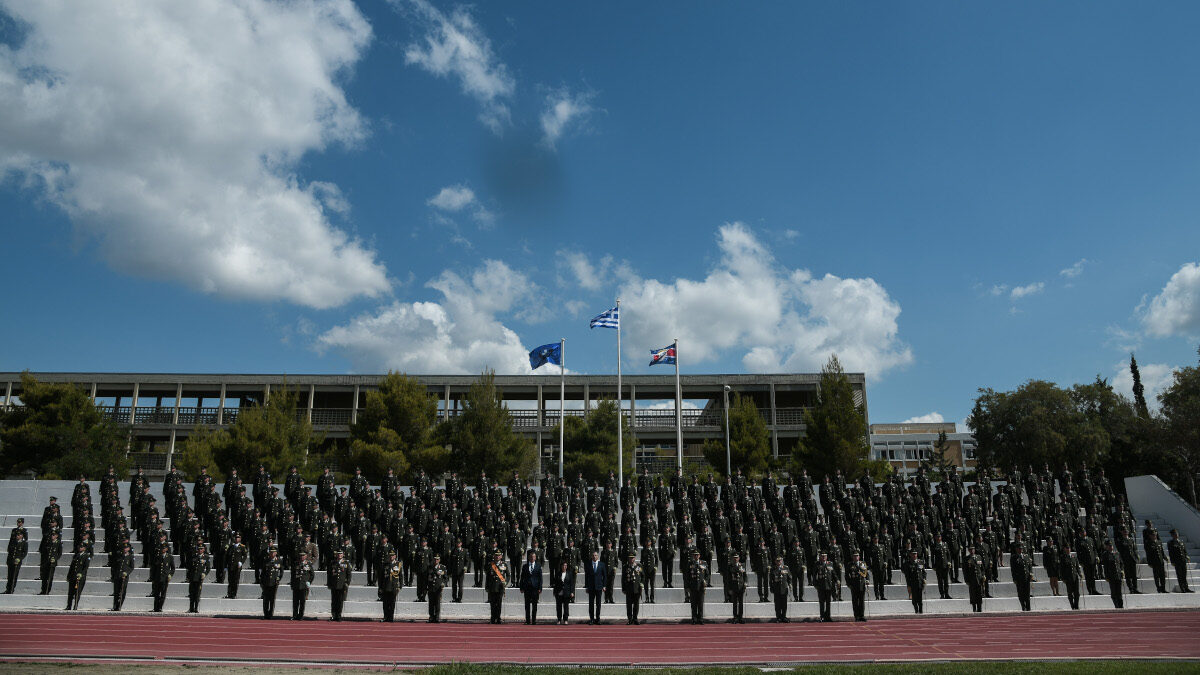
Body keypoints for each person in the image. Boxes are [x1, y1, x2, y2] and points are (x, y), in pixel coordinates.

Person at [519, 549, 543, 625]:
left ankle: (534, 620)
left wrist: (540, 588)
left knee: (534, 605)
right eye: (531, 557)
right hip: (527, 588)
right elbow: (522, 577)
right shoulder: (525, 566)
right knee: (527, 605)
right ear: (529, 558)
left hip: (535, 588)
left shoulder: (538, 566)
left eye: (534, 557)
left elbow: (540, 578)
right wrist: (521, 587)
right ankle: (527, 620)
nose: (532, 558)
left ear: (535, 558)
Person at [65, 543, 91, 611]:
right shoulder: (76, 555)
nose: (80, 548)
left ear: (84, 548)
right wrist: (68, 575)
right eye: (79, 546)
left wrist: (81, 574)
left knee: (77, 592)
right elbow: (72, 566)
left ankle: (75, 605)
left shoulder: (86, 556)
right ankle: (69, 605)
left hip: (80, 577)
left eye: (81, 547)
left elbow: (85, 567)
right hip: (73, 576)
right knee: (70, 592)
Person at [187, 543, 211, 613]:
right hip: (192, 577)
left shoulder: (206, 557)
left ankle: (196, 608)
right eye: (199, 549)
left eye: (201, 549)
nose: (200, 550)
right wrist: (188, 576)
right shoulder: (194, 556)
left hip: (199, 578)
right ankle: (191, 608)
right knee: (191, 593)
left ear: (204, 549)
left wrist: (204, 574)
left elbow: (208, 568)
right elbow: (190, 567)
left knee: (197, 594)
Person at [110, 542, 135, 611]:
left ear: (129, 549)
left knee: (122, 591)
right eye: (124, 548)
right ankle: (115, 605)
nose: (125, 549)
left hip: (124, 577)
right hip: (117, 576)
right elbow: (114, 566)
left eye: (126, 548)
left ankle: (119, 605)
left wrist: (126, 573)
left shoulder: (130, 557)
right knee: (116, 591)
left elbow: (131, 567)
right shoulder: (119, 555)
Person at [486, 550, 509, 624]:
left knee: (499, 603)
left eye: (499, 555)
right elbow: (488, 577)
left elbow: (508, 575)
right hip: (492, 586)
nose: (497, 557)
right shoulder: (490, 564)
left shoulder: (504, 564)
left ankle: (498, 618)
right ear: (494, 556)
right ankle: (493, 618)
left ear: (501, 556)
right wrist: (487, 586)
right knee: (492, 603)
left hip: (500, 587)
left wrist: (505, 582)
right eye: (496, 555)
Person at [260, 547, 283, 619]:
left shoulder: (279, 561)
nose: (272, 554)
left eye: (273, 552)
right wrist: (261, 581)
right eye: (270, 552)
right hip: (266, 582)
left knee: (272, 599)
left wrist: (278, 578)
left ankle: (270, 614)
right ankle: (265, 614)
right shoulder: (266, 560)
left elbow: (281, 571)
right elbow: (263, 572)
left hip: (274, 582)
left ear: (276, 553)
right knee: (266, 599)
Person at [327, 550, 351, 621]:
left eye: (341, 554)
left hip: (342, 584)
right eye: (338, 554)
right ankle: (333, 615)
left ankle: (338, 615)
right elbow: (329, 574)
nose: (339, 555)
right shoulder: (332, 562)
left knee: (340, 601)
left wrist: (347, 583)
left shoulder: (346, 563)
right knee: (334, 601)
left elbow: (349, 574)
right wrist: (329, 583)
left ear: (343, 554)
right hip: (334, 584)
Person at [584, 550, 606, 624]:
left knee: (598, 604)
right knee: (591, 604)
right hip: (591, 587)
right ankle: (591, 619)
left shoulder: (602, 564)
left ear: (598, 556)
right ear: (591, 556)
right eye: (593, 555)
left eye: (596, 555)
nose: (594, 556)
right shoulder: (588, 564)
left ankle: (598, 619)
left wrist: (604, 586)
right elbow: (586, 576)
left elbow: (605, 576)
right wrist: (586, 586)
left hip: (599, 587)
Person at [150, 540, 174, 613]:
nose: (162, 550)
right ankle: (155, 608)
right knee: (156, 594)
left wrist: (170, 575)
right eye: (161, 548)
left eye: (164, 548)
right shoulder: (157, 557)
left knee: (163, 594)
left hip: (165, 578)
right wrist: (152, 578)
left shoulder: (169, 557)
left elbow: (173, 568)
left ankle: (160, 607)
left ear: (166, 549)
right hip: (157, 578)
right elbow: (153, 568)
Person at [1011, 541, 1035, 612]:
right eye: (1019, 549)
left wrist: (1031, 574)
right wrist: (1014, 578)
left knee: (1027, 593)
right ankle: (1023, 606)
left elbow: (1029, 566)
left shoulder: (1026, 556)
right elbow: (1013, 569)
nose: (1020, 550)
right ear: (1016, 549)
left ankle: (1028, 607)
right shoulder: (1014, 557)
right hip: (1019, 578)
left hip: (1026, 577)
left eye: (1021, 548)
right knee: (1021, 593)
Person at [1100, 540, 1124, 609]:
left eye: (1111, 545)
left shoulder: (1117, 553)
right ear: (1106, 547)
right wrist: (1106, 576)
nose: (1110, 547)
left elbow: (1121, 563)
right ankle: (1116, 605)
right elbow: (1106, 566)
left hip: (1118, 575)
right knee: (1114, 592)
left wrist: (1122, 570)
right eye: (1109, 546)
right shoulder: (1105, 555)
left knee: (1119, 592)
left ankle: (1121, 605)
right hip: (1111, 576)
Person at [378, 551, 401, 622]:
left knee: (392, 603)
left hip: (394, 586)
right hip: (386, 585)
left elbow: (401, 576)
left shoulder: (398, 564)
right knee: (385, 603)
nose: (391, 557)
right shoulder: (385, 564)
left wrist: (400, 586)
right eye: (390, 555)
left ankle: (391, 617)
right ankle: (385, 617)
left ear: (395, 556)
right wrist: (380, 587)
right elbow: (381, 577)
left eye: (393, 555)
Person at [551, 559, 576, 624]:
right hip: (559, 592)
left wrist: (572, 592)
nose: (564, 567)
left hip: (566, 592)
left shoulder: (569, 574)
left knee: (566, 607)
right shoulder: (558, 574)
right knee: (558, 607)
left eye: (565, 565)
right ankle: (559, 619)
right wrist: (554, 591)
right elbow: (555, 583)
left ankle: (565, 619)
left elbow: (572, 584)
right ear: (561, 566)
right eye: (563, 565)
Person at [291, 551, 315, 620]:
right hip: (296, 585)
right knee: (295, 602)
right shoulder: (295, 563)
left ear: (306, 556)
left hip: (304, 585)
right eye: (301, 555)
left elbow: (312, 575)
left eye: (303, 555)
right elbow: (292, 575)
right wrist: (292, 584)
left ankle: (300, 616)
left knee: (302, 602)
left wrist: (309, 582)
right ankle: (294, 615)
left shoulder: (308, 564)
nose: (302, 557)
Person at [686, 549, 707, 625]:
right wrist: (687, 587)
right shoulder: (690, 564)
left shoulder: (703, 563)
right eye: (695, 555)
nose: (696, 556)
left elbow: (707, 574)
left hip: (701, 586)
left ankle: (700, 619)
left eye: (697, 555)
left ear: (699, 556)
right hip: (693, 586)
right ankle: (694, 619)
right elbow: (687, 576)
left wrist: (705, 582)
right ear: (693, 556)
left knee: (700, 603)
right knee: (694, 604)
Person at [847, 551, 869, 622]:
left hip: (861, 585)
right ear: (852, 557)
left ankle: (862, 615)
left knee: (862, 601)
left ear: (859, 557)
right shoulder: (850, 565)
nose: (855, 557)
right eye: (854, 556)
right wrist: (849, 584)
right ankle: (856, 616)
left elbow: (866, 573)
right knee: (855, 601)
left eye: (857, 556)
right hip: (854, 585)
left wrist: (867, 580)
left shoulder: (862, 564)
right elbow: (847, 575)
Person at [622, 553, 643, 625]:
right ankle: (630, 619)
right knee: (629, 605)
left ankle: (635, 618)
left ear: (634, 558)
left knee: (636, 604)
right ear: (628, 559)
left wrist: (641, 584)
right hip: (629, 588)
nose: (631, 559)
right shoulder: (626, 567)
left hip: (637, 588)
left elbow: (642, 576)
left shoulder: (638, 566)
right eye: (630, 558)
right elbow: (623, 578)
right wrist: (623, 588)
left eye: (632, 558)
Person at [38, 530, 62, 595]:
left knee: (50, 577)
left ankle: (47, 591)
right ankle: (43, 590)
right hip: (46, 562)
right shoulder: (48, 542)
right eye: (51, 535)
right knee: (44, 577)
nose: (52, 536)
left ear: (56, 536)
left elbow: (59, 553)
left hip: (52, 563)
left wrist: (55, 559)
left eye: (54, 535)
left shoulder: (58, 543)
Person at [902, 549, 925, 614]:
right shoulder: (908, 563)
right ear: (910, 555)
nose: (914, 555)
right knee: (914, 599)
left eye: (915, 554)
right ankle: (916, 610)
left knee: (920, 598)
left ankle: (921, 611)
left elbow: (923, 572)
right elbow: (907, 576)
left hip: (920, 582)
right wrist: (908, 585)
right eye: (913, 554)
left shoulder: (920, 562)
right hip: (913, 583)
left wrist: (924, 579)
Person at [813, 552, 835, 622]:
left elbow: (833, 573)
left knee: (828, 602)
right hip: (821, 586)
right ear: (820, 557)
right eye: (822, 556)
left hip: (828, 586)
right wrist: (815, 584)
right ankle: (822, 616)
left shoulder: (830, 564)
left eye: (825, 556)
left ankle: (828, 616)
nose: (823, 557)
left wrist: (837, 580)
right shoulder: (817, 564)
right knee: (822, 602)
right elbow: (814, 575)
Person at [769, 556, 792, 623]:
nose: (779, 562)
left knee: (784, 604)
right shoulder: (773, 569)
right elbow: (771, 580)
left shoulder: (786, 568)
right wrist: (771, 588)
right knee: (777, 604)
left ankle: (784, 616)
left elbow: (789, 577)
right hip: (776, 588)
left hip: (784, 588)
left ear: (782, 561)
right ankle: (778, 617)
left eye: (780, 561)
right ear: (775, 561)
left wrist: (790, 584)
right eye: (777, 561)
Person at [1060, 544, 1082, 610]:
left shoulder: (1074, 557)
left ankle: (1076, 605)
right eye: (1066, 548)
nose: (1068, 549)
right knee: (1070, 593)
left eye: (1068, 548)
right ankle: (1072, 606)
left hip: (1075, 577)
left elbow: (1077, 567)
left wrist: (1080, 574)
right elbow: (1061, 569)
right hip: (1068, 578)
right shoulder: (1063, 558)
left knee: (1077, 593)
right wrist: (1063, 578)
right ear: (1064, 549)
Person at [225, 533, 247, 599]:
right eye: (236, 537)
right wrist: (225, 565)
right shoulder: (231, 546)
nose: (237, 539)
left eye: (238, 537)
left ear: (240, 539)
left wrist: (241, 562)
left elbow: (245, 555)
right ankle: (229, 593)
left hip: (237, 566)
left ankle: (234, 594)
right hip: (231, 565)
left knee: (235, 580)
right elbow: (227, 556)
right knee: (230, 580)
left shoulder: (242, 547)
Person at [964, 545, 985, 613]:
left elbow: (982, 568)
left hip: (979, 578)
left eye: (973, 549)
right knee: (973, 593)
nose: (972, 551)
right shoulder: (967, 559)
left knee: (979, 593)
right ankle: (974, 607)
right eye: (970, 549)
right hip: (971, 578)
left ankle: (979, 607)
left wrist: (983, 576)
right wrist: (966, 580)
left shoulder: (979, 557)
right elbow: (965, 570)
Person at [727, 552, 747, 624]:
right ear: (732, 558)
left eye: (737, 557)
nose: (736, 559)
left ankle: (740, 617)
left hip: (741, 586)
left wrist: (745, 583)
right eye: (734, 557)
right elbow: (729, 578)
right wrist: (729, 588)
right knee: (735, 603)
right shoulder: (730, 566)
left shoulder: (742, 565)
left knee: (741, 603)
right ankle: (735, 617)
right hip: (734, 586)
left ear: (739, 558)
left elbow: (745, 575)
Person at [6, 527, 26, 594]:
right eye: (17, 535)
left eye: (19, 535)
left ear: (22, 535)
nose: (17, 536)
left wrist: (19, 559)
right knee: (9, 576)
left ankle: (11, 589)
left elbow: (24, 553)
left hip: (17, 562)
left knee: (14, 576)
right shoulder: (13, 541)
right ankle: (8, 589)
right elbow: (9, 550)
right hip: (11, 561)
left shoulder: (24, 543)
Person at [428, 553, 447, 623]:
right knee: (431, 604)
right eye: (435, 559)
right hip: (430, 587)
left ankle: (437, 617)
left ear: (439, 560)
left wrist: (443, 584)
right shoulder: (430, 567)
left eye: (437, 559)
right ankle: (431, 617)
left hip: (438, 588)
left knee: (437, 603)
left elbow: (445, 578)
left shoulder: (442, 567)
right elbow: (427, 576)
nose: (436, 560)